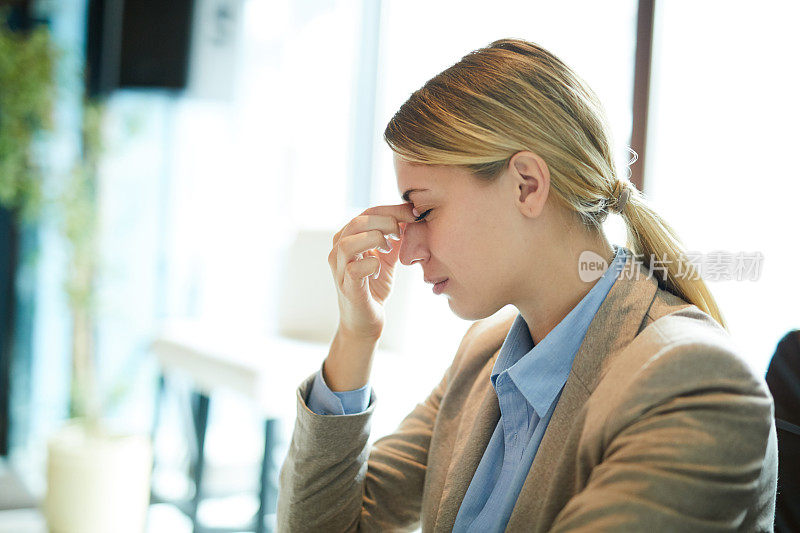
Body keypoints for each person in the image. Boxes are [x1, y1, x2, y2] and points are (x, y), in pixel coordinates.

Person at [276, 38, 778, 532]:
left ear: (527, 185)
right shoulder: (484, 357)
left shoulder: (692, 381)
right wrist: (355, 336)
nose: (407, 251)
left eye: (424, 210)